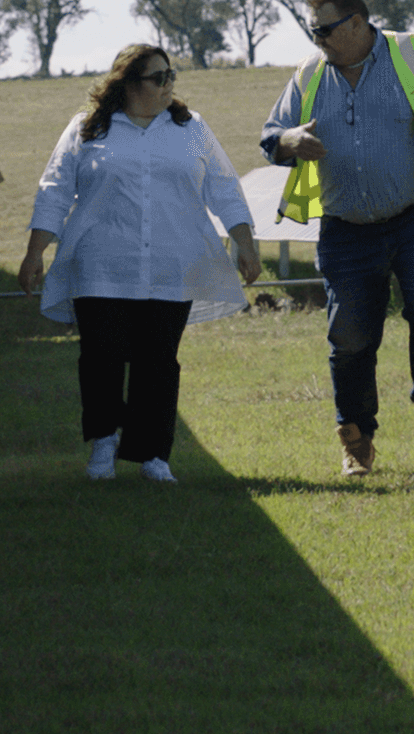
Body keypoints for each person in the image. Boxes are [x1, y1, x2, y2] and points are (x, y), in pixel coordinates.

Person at [259, 0, 414, 478]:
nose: (317, 40)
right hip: (347, 228)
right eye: (313, 32)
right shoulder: (309, 73)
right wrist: (290, 139)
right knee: (352, 336)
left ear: (357, 22)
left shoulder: (412, 57)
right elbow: (272, 135)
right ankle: (357, 441)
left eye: (325, 31)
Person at [17, 45, 262, 484]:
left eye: (172, 75)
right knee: (101, 357)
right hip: (100, 264)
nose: (169, 85)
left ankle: (153, 454)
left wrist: (245, 241)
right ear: (129, 83)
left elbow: (223, 186)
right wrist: (35, 252)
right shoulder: (88, 128)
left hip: (171, 264)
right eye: (158, 77)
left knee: (158, 360)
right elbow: (54, 190)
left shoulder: (191, 128)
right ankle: (104, 441)